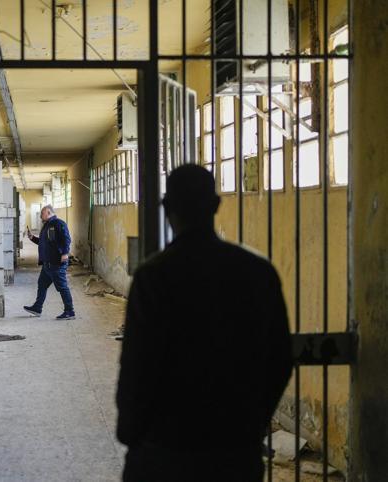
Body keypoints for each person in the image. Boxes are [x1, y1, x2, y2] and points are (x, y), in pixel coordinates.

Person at [116, 165, 293, 482]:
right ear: (216, 205)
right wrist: (252, 424)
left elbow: (137, 365)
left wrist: (132, 433)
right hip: (233, 449)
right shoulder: (257, 272)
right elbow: (280, 359)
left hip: (166, 447)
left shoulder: (154, 276)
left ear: (167, 208)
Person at [23, 205, 76, 320]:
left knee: (62, 287)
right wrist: (32, 238)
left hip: (56, 263)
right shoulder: (47, 226)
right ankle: (37, 308)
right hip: (47, 264)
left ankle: (69, 311)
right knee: (42, 285)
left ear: (48, 212)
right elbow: (44, 243)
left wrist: (65, 253)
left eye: (42, 213)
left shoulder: (58, 224)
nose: (41, 216)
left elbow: (67, 239)